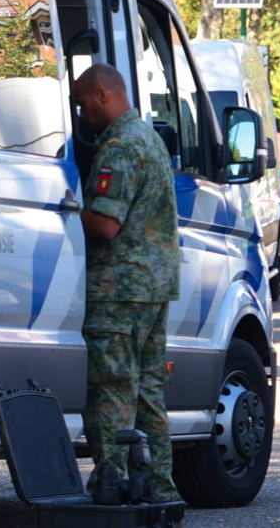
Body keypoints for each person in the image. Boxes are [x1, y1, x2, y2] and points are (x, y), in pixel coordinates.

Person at [73, 63, 181, 501]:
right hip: (153, 286)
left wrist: (62, 209)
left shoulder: (119, 147)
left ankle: (112, 484)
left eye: (82, 105)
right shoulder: (149, 138)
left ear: (103, 94)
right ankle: (159, 487)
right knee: (149, 392)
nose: (82, 116)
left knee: (111, 387)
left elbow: (104, 224)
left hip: (118, 289)